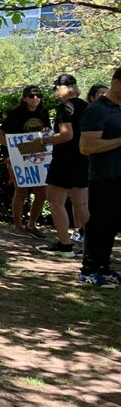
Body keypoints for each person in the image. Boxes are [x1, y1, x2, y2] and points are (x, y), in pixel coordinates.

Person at [34, 74, 90, 255]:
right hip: (84, 158)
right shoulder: (87, 106)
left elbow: (66, 135)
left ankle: (64, 245)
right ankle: (92, 247)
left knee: (55, 201)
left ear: (64, 88)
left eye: (56, 87)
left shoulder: (65, 107)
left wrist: (45, 140)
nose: (56, 91)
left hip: (65, 160)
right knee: (81, 204)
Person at [76, 68, 121, 287]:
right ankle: (89, 269)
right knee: (99, 223)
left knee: (112, 224)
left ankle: (103, 267)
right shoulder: (97, 110)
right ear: (117, 82)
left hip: (119, 174)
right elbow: (87, 145)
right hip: (104, 176)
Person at [0, 85, 50, 239]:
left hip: (38, 157)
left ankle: (31, 225)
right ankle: (18, 226)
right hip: (18, 158)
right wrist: (13, 150)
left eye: (38, 96)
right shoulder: (16, 113)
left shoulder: (43, 112)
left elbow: (47, 132)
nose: (36, 99)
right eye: (32, 96)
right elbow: (0, 135)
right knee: (21, 191)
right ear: (24, 98)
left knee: (42, 193)